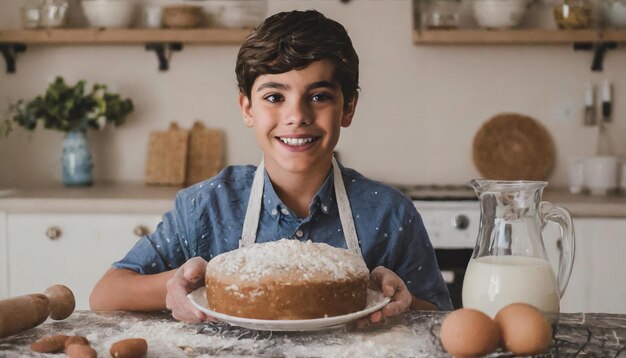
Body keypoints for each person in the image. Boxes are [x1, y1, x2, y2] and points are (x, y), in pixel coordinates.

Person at [90, 9, 452, 327]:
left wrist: (402, 301)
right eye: (274, 97)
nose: (297, 116)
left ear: (348, 108)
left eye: (319, 96)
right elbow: (105, 294)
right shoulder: (207, 207)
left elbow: (438, 318)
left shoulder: (389, 213)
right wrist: (173, 286)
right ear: (247, 108)